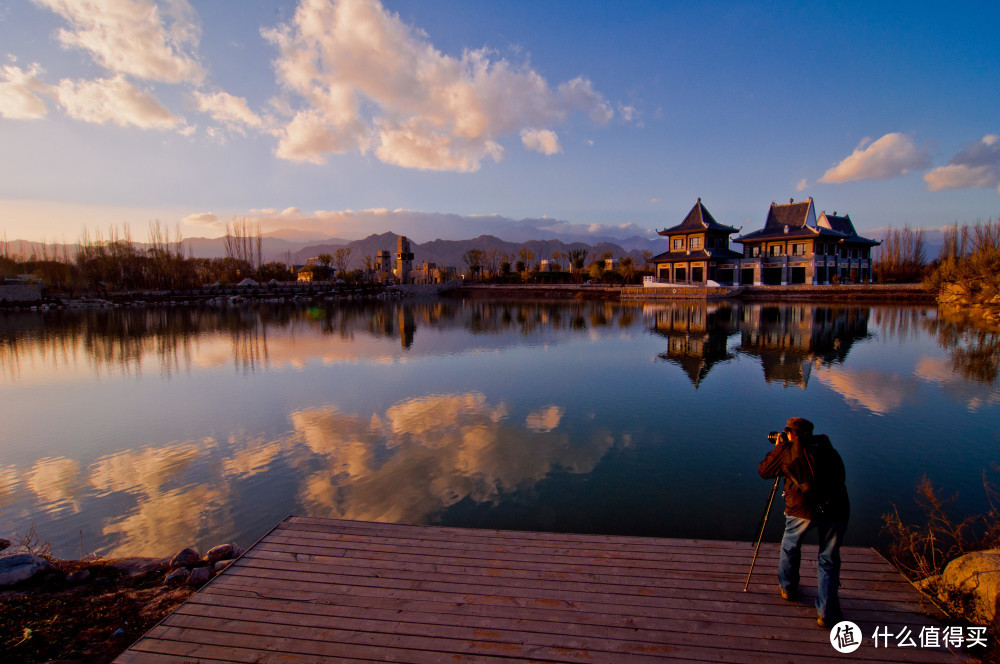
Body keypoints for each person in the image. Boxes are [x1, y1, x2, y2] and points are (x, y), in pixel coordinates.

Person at [759, 417, 850, 628]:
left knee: (790, 546)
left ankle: (788, 588)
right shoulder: (826, 447)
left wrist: (778, 448)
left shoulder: (787, 450)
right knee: (828, 559)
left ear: (790, 434)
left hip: (802, 510)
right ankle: (826, 612)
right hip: (836, 508)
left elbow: (764, 471)